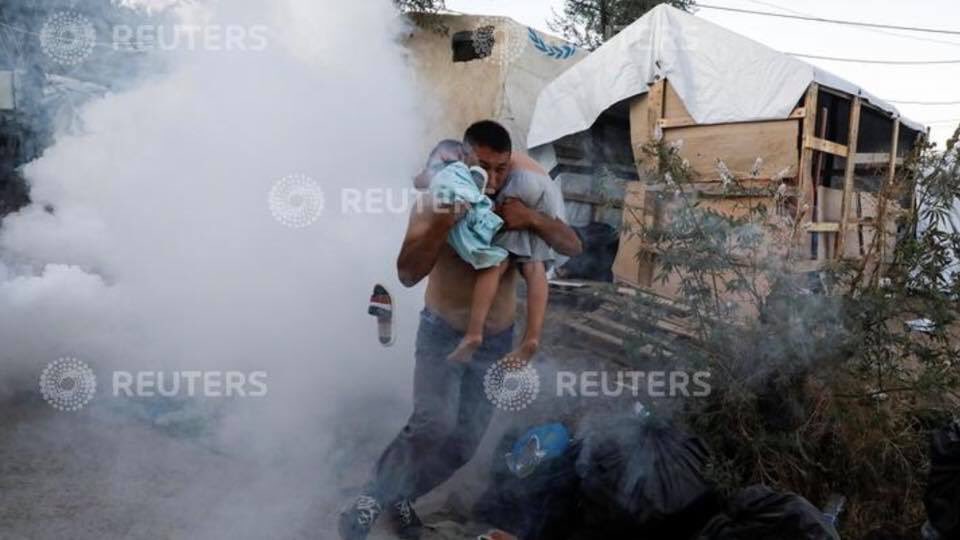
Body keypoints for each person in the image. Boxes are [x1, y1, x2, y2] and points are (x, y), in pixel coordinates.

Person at [338, 120, 581, 540]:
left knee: (466, 442)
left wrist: (531, 218)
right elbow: (407, 275)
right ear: (463, 161)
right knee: (432, 424)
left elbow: (571, 245)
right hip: (442, 332)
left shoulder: (522, 195)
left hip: (496, 341)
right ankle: (371, 499)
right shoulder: (438, 199)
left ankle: (402, 496)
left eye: (502, 168)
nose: (494, 179)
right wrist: (442, 224)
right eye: (484, 167)